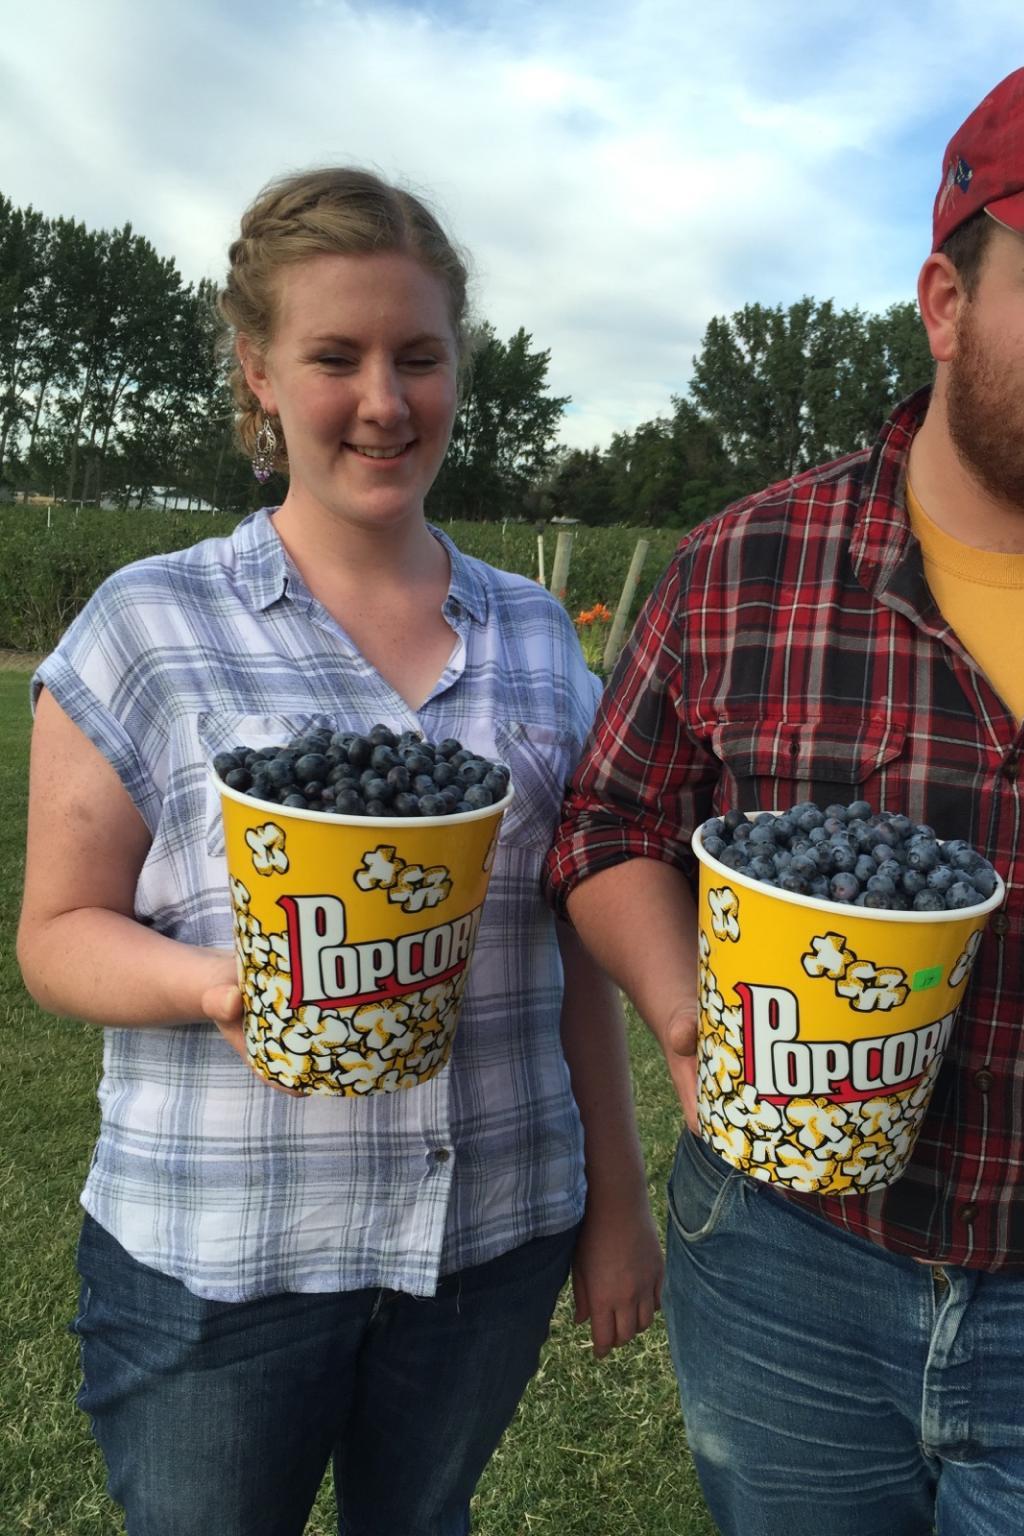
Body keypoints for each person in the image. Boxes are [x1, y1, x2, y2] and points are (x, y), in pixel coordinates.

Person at [545, 53, 1024, 1536]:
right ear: (946, 304)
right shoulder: (745, 565)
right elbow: (610, 827)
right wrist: (686, 1015)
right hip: (782, 1271)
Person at [17, 166, 662, 1536]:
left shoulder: (539, 638)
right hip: (221, 1255)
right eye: (335, 357)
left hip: (486, 1236)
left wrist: (616, 1202)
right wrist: (219, 988)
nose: (385, 400)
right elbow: (55, 936)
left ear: (457, 370)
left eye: (418, 357)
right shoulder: (149, 625)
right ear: (258, 372)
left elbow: (574, 950)